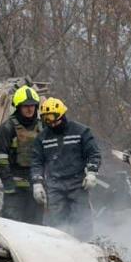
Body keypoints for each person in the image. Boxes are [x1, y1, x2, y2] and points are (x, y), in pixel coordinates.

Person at [30, 97, 102, 239]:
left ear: (62, 114)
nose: (51, 123)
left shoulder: (81, 131)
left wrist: (92, 172)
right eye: (47, 120)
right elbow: (36, 161)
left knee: (82, 221)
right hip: (54, 186)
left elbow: (93, 153)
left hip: (78, 184)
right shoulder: (42, 138)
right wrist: (37, 183)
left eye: (53, 118)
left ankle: (85, 247)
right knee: (55, 225)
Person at [0, 85, 43, 224]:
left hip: (37, 187)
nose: (29, 109)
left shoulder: (43, 128)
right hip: (15, 189)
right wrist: (8, 183)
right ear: (18, 107)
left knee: (37, 226)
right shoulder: (6, 128)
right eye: (25, 106)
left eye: (32, 105)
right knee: (13, 224)